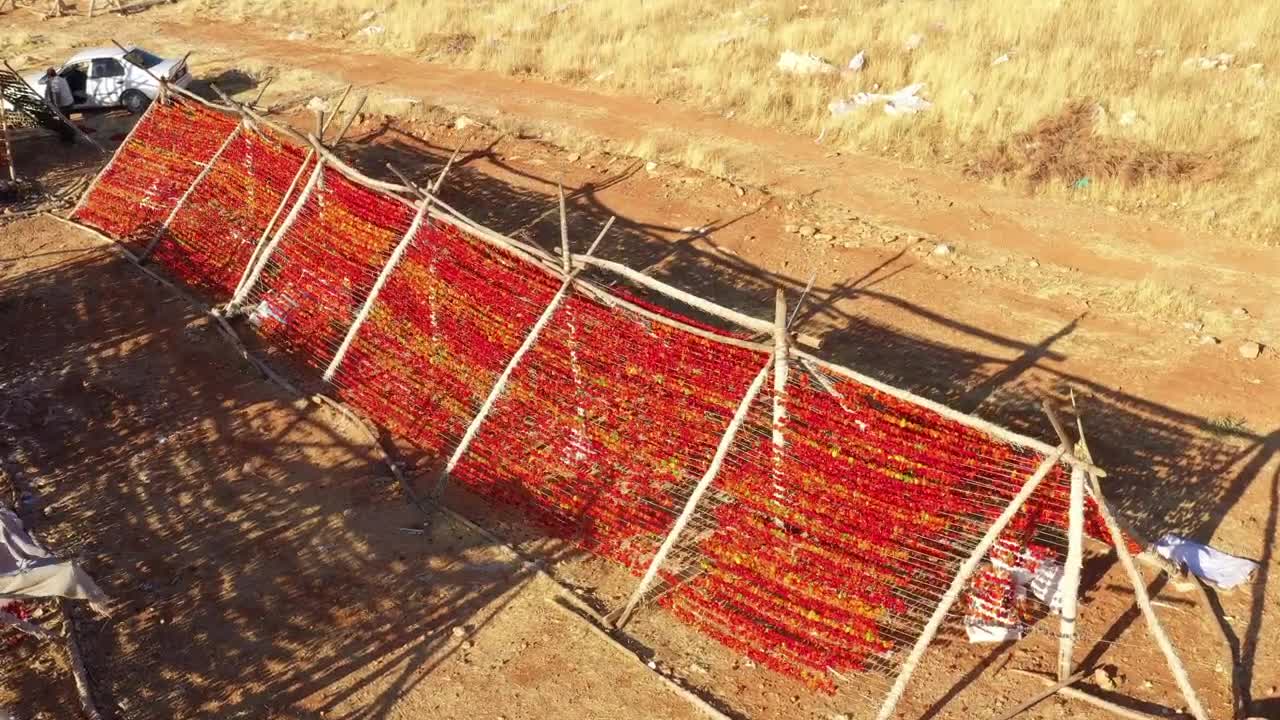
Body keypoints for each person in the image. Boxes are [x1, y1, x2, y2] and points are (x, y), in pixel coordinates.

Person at [41, 68, 75, 144]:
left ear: (49, 75)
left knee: (63, 122)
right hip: (70, 102)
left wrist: (57, 106)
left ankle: (69, 138)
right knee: (67, 120)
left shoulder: (54, 82)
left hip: (64, 104)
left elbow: (57, 95)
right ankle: (68, 136)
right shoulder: (61, 79)